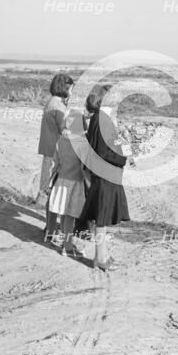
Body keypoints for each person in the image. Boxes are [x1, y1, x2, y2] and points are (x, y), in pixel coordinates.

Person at [80, 84, 130, 271]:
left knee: (102, 218)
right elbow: (103, 151)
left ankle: (102, 256)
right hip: (105, 175)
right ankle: (100, 258)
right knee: (101, 219)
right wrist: (123, 157)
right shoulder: (103, 120)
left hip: (103, 175)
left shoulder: (100, 118)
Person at [45, 110, 90, 256]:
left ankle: (66, 242)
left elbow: (55, 163)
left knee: (64, 215)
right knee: (70, 216)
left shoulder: (60, 140)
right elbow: (84, 167)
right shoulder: (82, 144)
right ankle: (68, 247)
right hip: (75, 183)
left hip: (61, 180)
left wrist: (50, 181)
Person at [37, 73, 74, 235]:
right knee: (54, 191)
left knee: (50, 189)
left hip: (49, 151)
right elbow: (65, 131)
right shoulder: (59, 107)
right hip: (56, 153)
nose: (72, 92)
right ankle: (51, 229)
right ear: (64, 88)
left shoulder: (52, 102)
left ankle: (49, 227)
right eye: (71, 88)